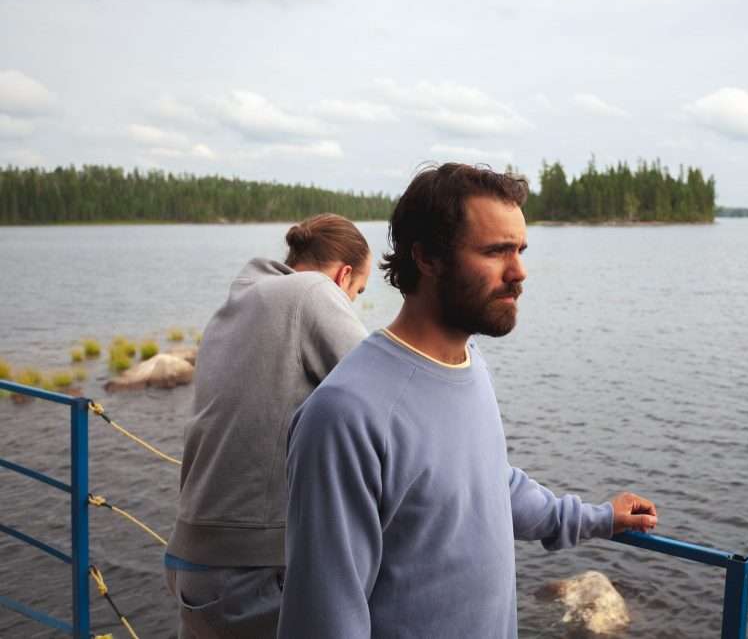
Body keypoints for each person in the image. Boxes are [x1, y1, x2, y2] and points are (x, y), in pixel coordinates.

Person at [279, 164, 657, 638]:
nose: (519, 272)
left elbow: (487, 485)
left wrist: (597, 519)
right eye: (496, 251)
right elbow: (323, 618)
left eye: (519, 249)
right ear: (428, 258)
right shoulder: (345, 415)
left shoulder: (469, 364)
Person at [165, 213, 372, 639]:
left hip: (194, 560)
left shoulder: (241, 302)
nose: (350, 305)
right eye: (358, 293)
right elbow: (384, 391)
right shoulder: (313, 290)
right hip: (248, 571)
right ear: (343, 275)